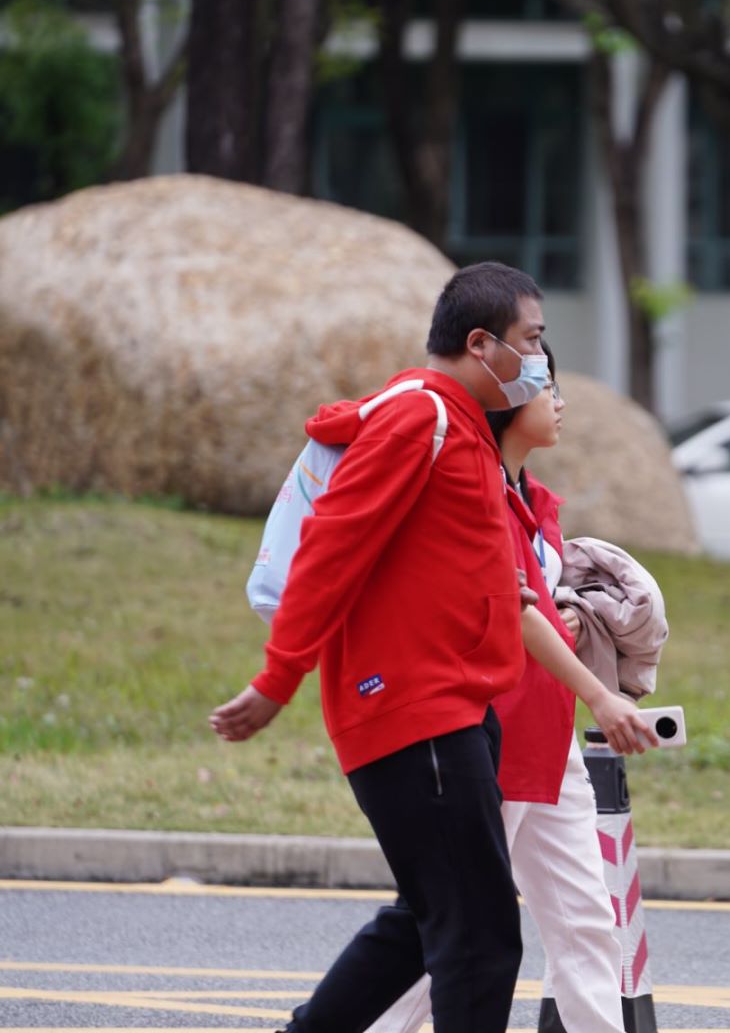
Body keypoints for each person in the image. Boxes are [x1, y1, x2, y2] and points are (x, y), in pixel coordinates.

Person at [210, 262, 554, 1033]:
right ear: (481, 343)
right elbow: (331, 548)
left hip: (453, 708)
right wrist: (277, 679)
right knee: (479, 939)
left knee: (427, 923)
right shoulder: (418, 417)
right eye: (532, 340)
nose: (540, 359)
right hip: (416, 713)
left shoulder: (460, 425)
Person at [369, 342, 652, 1033]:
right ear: (506, 397)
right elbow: (510, 612)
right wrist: (600, 693)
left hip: (548, 736)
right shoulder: (477, 495)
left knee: (587, 922)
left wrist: (572, 614)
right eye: (546, 385)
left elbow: (531, 606)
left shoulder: (535, 503)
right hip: (489, 735)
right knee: (457, 935)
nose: (560, 401)